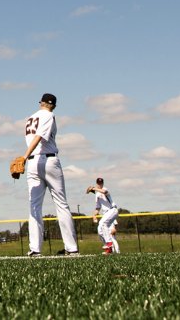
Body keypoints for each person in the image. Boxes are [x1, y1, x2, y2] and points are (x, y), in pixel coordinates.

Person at [22, 93, 79, 257]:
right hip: (48, 160)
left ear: (40, 102)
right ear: (53, 105)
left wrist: (27, 158)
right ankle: (71, 247)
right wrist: (24, 156)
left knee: (34, 206)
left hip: (33, 164)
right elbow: (40, 137)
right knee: (61, 204)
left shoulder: (30, 118)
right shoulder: (49, 115)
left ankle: (35, 249)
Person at [88, 178, 120, 254]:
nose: (100, 184)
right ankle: (108, 247)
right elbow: (98, 208)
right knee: (99, 229)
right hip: (106, 214)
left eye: (101, 183)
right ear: (96, 183)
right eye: (98, 183)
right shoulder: (97, 195)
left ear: (103, 183)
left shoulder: (104, 189)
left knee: (103, 224)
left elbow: (104, 191)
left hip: (112, 210)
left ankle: (109, 244)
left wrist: (93, 188)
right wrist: (94, 215)